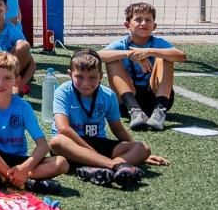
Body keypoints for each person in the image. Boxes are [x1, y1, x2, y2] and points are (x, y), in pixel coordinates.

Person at [51, 49, 158, 188]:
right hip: (72, 144)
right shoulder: (62, 91)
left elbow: (117, 128)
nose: (86, 83)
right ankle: (115, 166)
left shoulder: (108, 95)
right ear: (70, 74)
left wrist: (141, 154)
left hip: (98, 142)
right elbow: (63, 129)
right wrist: (91, 152)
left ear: (101, 76)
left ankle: (98, 167)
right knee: (56, 141)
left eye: (92, 77)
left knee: (143, 148)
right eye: (79, 77)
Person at [0, 51, 67, 192]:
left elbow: (43, 145)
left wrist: (24, 168)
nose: (0, 83)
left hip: (17, 160)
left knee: (61, 163)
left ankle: (4, 178)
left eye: (7, 78)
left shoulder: (23, 107)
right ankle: (21, 180)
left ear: (17, 81)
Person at [97, 1, 186, 132]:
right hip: (126, 102)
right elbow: (96, 56)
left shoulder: (157, 42)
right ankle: (135, 111)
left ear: (154, 26)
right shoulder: (122, 44)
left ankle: (159, 113)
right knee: (112, 60)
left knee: (166, 57)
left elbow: (181, 56)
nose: (143, 23)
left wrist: (149, 52)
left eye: (148, 20)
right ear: (127, 25)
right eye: (138, 19)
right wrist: (130, 54)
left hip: (155, 96)